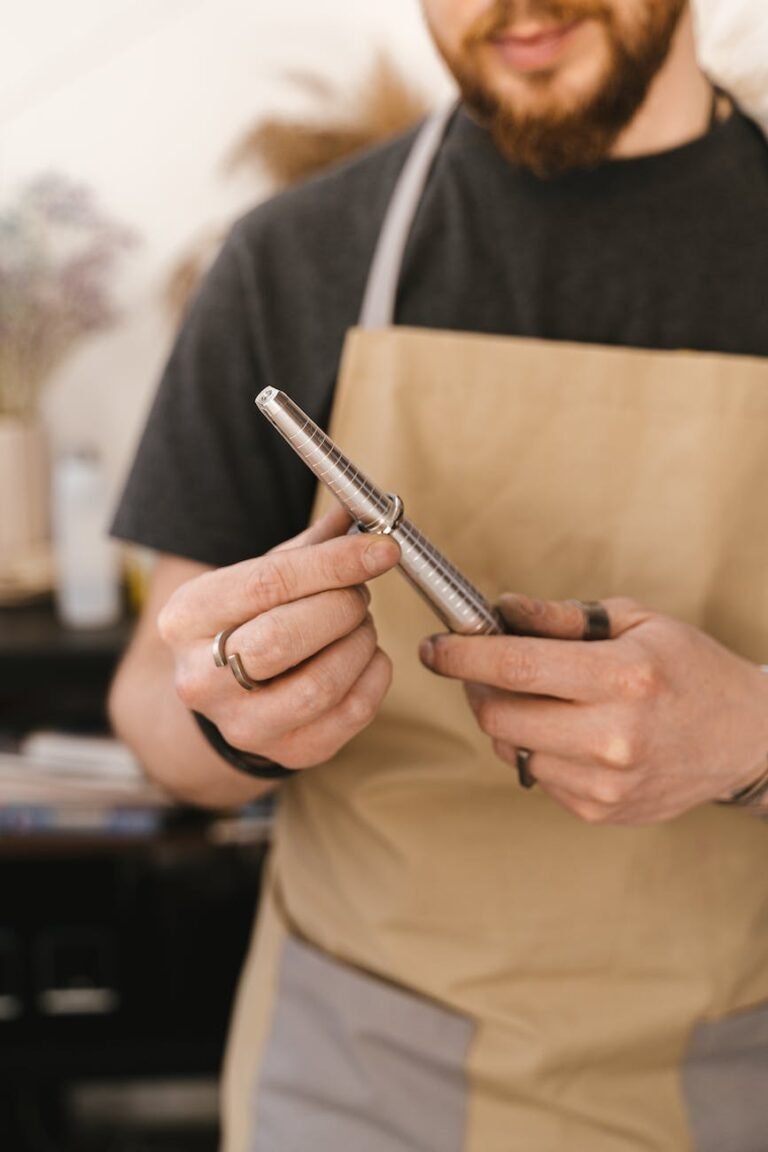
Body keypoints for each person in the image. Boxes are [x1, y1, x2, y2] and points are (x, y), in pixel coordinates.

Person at [109, 2, 768, 1148]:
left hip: (730, 1071)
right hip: (358, 1080)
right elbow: (148, 713)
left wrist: (753, 736)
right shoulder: (293, 257)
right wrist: (227, 712)